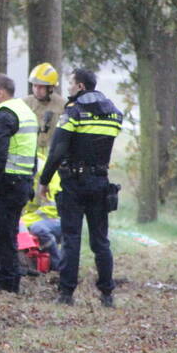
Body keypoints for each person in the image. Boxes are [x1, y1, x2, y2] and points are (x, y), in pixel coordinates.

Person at [39, 67, 123, 307]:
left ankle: (66, 294)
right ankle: (107, 294)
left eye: (71, 84)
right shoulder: (114, 114)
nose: (68, 88)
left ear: (81, 87)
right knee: (100, 241)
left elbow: (57, 151)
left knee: (71, 239)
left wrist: (44, 181)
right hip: (100, 182)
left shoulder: (73, 112)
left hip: (74, 183)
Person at [0, 73, 38, 293]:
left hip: (5, 183)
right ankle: (12, 282)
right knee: (10, 233)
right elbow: (31, 152)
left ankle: (6, 285)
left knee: (0, 236)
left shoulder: (3, 115)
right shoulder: (25, 112)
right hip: (20, 181)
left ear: (1, 92)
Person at [19, 158, 63, 271]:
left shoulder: (50, 175)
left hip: (58, 220)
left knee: (37, 228)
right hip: (37, 219)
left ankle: (57, 267)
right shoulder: (26, 176)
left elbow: (53, 209)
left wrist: (23, 221)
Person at [22, 62, 65, 155]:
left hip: (52, 157)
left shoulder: (62, 106)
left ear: (50, 87)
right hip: (29, 155)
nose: (37, 90)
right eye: (34, 86)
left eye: (41, 86)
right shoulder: (25, 103)